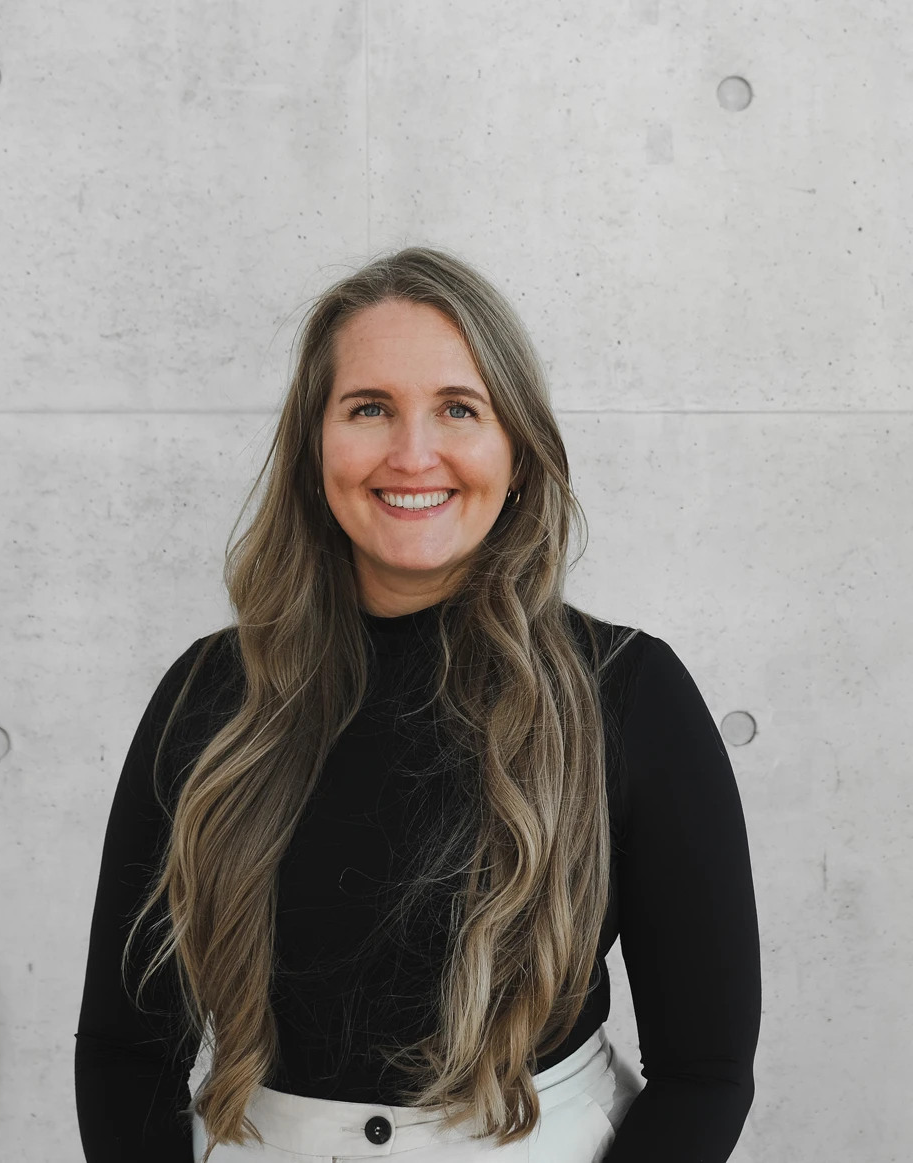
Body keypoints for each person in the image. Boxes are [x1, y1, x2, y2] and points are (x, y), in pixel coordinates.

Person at [74, 246, 762, 1163]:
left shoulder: (631, 693)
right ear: (315, 446)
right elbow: (125, 1054)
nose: (412, 452)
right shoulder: (208, 696)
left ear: (515, 450)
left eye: (458, 409)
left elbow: (707, 1071)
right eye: (369, 408)